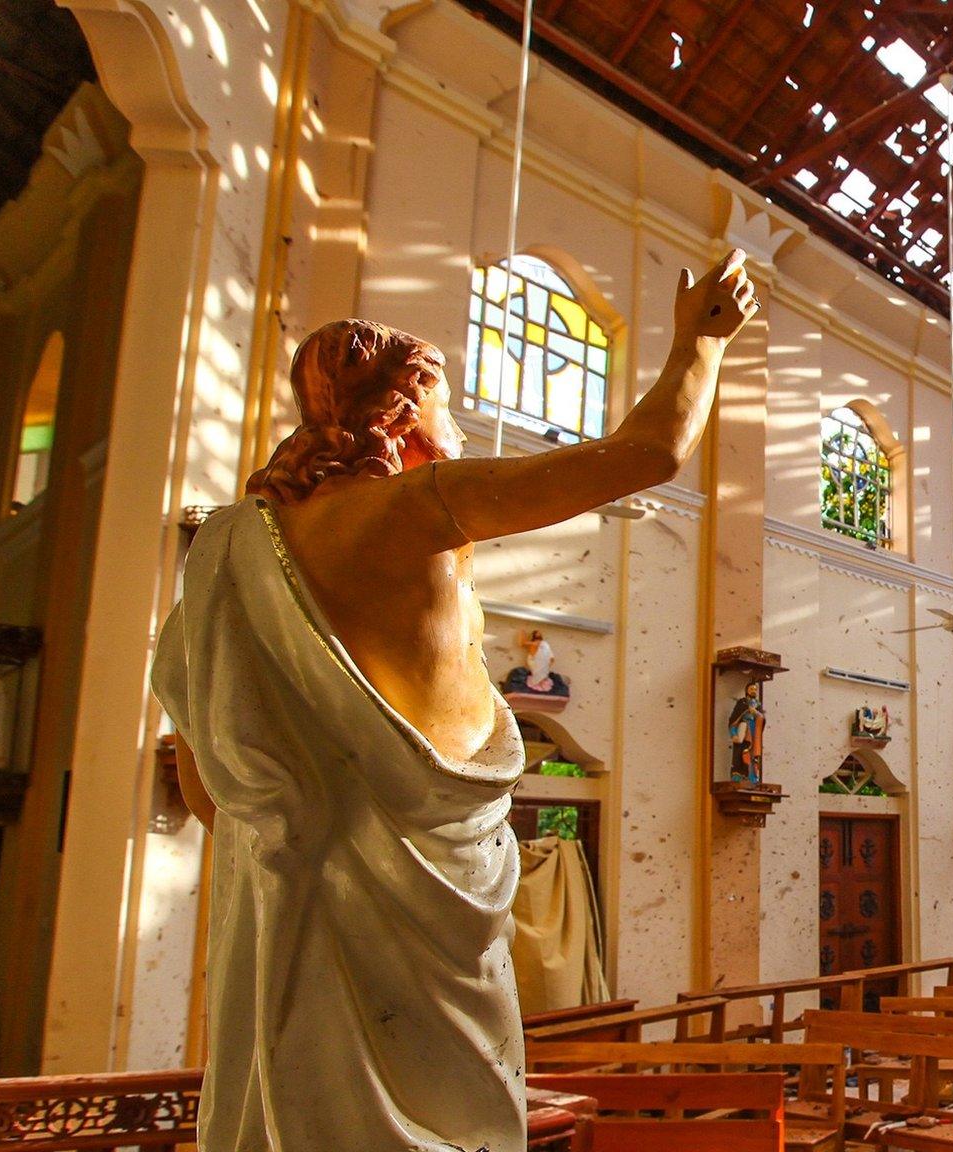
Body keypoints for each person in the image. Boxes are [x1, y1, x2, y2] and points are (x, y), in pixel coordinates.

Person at [151, 252, 759, 1151]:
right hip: (431, 881)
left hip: (294, 884)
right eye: (441, 396)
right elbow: (647, 452)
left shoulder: (230, 545)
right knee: (446, 1111)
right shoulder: (414, 504)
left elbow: (201, 763)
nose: (455, 419)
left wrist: (287, 835)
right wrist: (702, 344)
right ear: (400, 408)